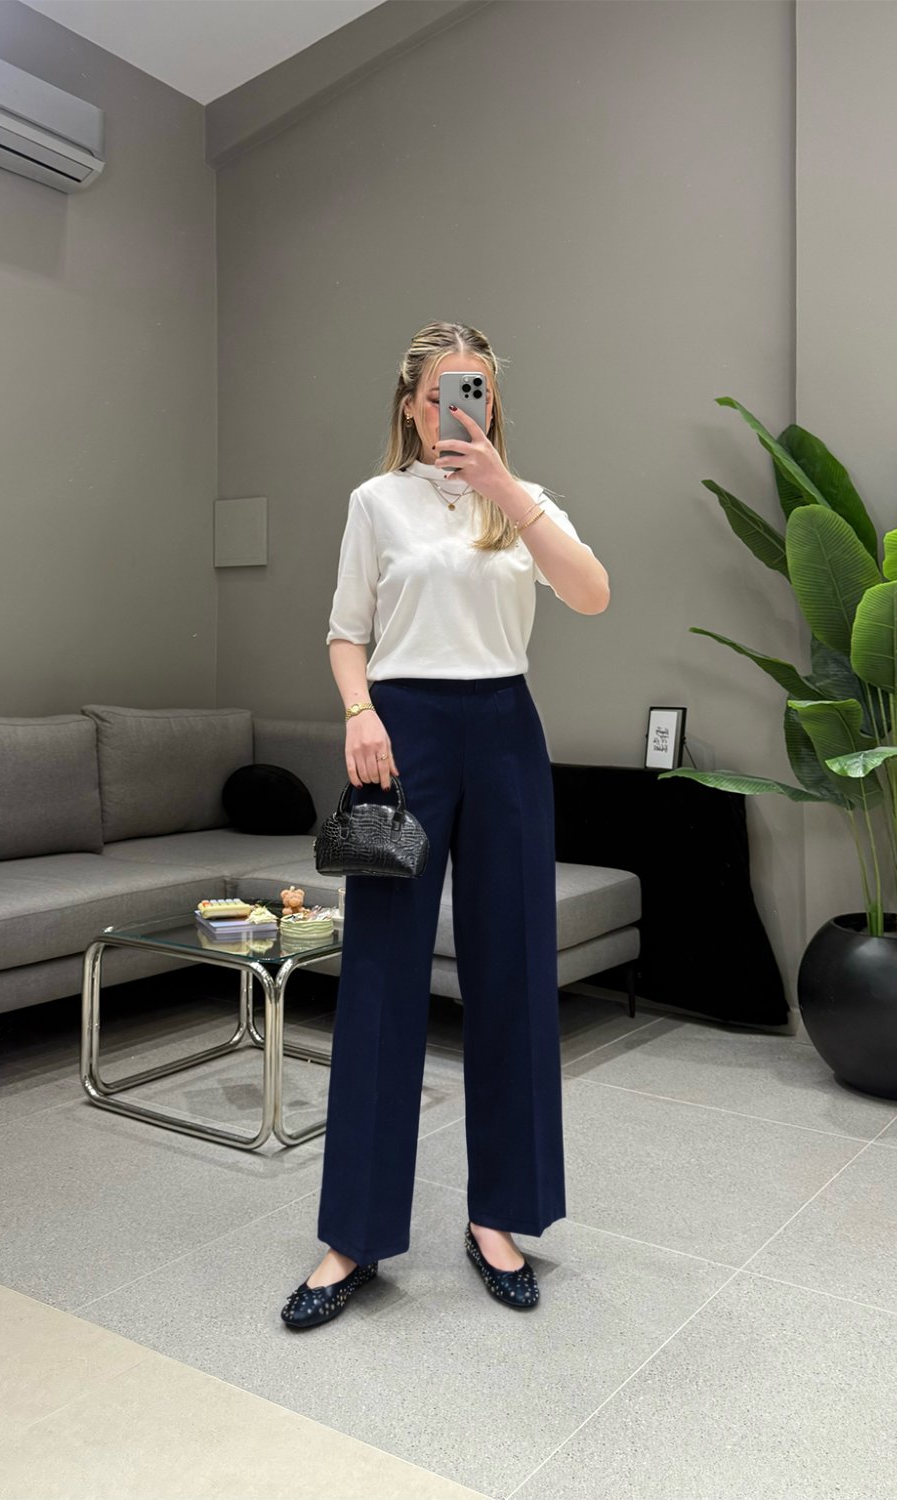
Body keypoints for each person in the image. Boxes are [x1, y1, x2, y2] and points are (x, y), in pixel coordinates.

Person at [281, 321, 610, 1331]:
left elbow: (592, 595)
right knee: (382, 977)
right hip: (404, 732)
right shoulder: (375, 502)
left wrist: (508, 489)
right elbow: (346, 632)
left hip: (505, 729)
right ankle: (354, 1236)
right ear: (410, 404)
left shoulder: (523, 500)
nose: (455, 411)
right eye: (438, 395)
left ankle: (498, 1218)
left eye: (474, 394)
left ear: (490, 405)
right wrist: (360, 714)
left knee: (513, 971)